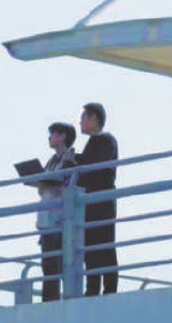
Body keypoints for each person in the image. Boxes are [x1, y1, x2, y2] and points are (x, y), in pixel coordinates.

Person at [75, 102, 119, 295]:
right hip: (92, 201)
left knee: (104, 244)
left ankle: (108, 288)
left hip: (101, 200)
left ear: (93, 118)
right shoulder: (97, 142)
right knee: (92, 245)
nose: (80, 122)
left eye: (83, 117)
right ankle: (93, 287)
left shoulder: (105, 140)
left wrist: (76, 161)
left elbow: (96, 166)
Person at [35, 122, 77, 302]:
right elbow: (43, 189)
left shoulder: (70, 159)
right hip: (47, 221)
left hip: (59, 220)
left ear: (63, 136)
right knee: (48, 268)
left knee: (60, 266)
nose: (49, 138)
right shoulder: (51, 161)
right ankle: (48, 303)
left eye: (52, 134)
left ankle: (64, 302)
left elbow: (65, 185)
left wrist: (49, 184)